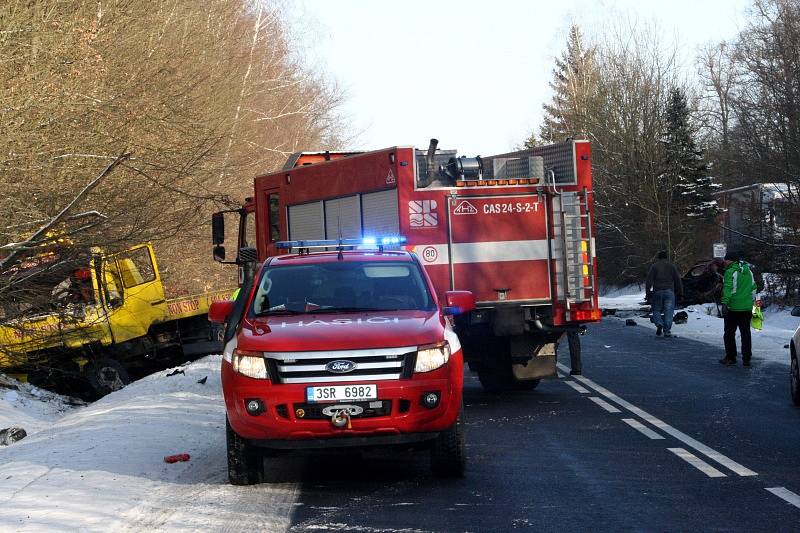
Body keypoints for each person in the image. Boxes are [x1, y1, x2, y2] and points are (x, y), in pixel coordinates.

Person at [719, 250, 757, 367]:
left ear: (730, 260)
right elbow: (753, 288)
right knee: (746, 333)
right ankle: (746, 359)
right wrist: (751, 302)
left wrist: (724, 303)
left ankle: (731, 357)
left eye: (726, 259)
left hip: (733, 308)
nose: (724, 261)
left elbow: (728, 289)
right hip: (746, 308)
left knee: (729, 333)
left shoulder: (730, 272)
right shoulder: (749, 271)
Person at [645, 250, 683, 338]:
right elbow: (678, 280)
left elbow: (649, 280)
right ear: (666, 257)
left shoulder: (654, 266)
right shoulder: (671, 266)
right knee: (668, 311)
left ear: (658, 257)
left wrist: (648, 292)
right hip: (669, 292)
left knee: (656, 310)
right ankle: (667, 331)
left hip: (657, 292)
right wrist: (680, 293)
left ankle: (659, 324)